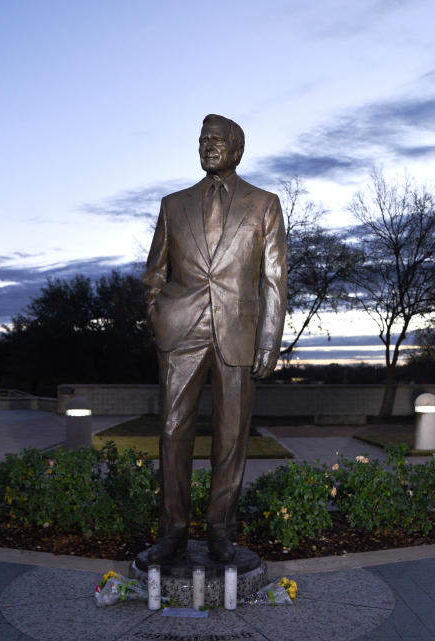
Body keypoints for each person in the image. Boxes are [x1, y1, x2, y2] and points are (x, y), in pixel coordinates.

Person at [142, 114, 286, 562]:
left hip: (238, 333)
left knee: (231, 436)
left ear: (236, 149)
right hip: (180, 332)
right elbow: (154, 272)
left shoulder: (265, 204)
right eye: (202, 139)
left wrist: (269, 340)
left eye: (217, 140)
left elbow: (275, 279)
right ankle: (173, 530)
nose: (208, 146)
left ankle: (221, 529)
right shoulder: (173, 204)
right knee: (171, 431)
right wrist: (157, 311)